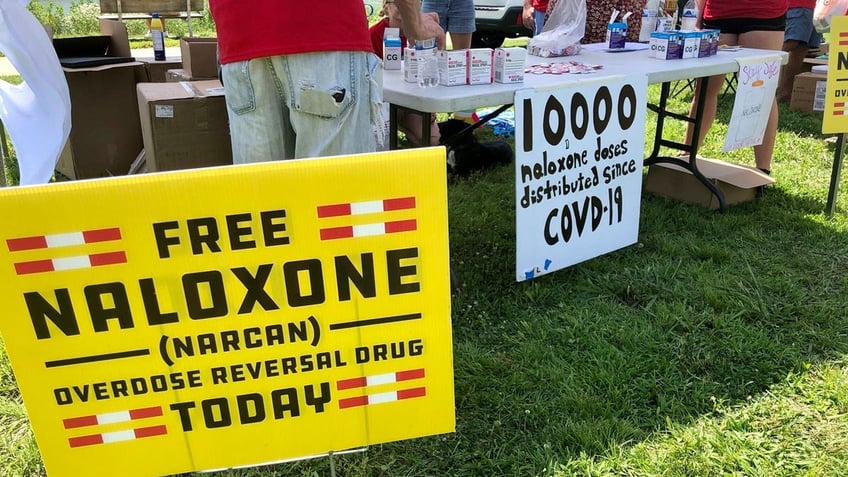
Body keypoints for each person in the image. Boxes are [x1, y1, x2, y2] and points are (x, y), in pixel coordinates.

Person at [208, 0, 444, 164]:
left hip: (239, 32)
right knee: (335, 197)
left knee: (264, 202)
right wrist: (415, 25)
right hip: (324, 27)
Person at [685, 0, 787, 176]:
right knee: (704, 90)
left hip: (763, 12)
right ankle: (685, 157)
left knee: (762, 91)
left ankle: (762, 170)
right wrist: (697, 15)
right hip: (718, 12)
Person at [369, 0, 441, 146]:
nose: (403, 8)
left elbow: (433, 70)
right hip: (383, 102)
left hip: (413, 101)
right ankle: (391, 133)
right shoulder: (373, 34)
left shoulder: (423, 33)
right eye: (396, 3)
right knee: (382, 142)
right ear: (386, 7)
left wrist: (429, 105)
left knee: (432, 138)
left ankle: (407, 133)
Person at [776, 0, 821, 103]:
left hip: (813, 7)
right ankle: (760, 85)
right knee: (790, 44)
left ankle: (784, 93)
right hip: (797, 5)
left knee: (801, 48)